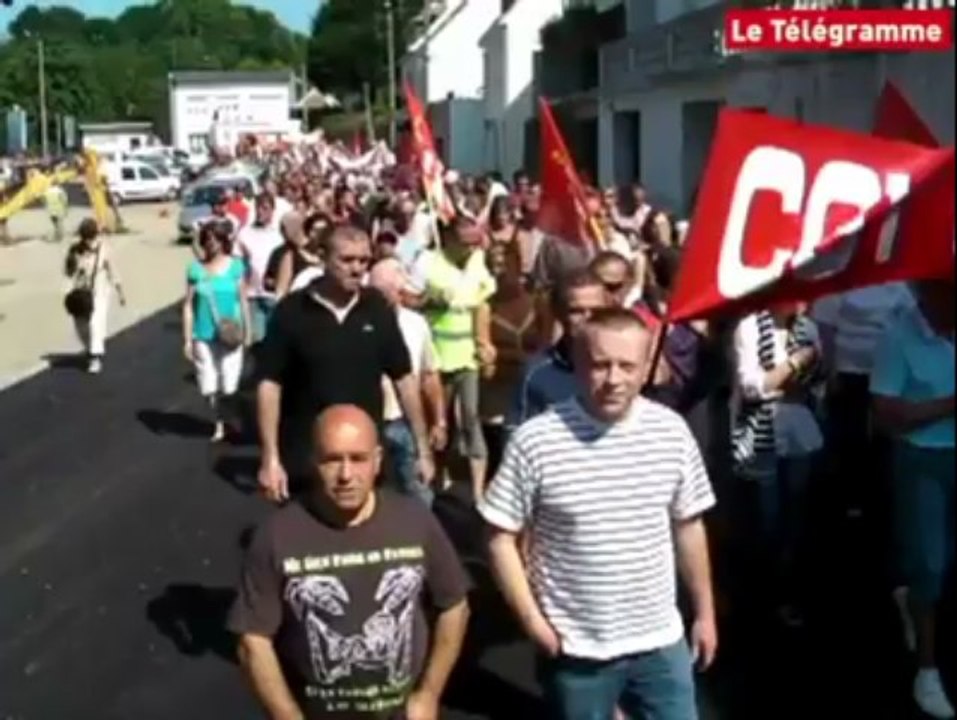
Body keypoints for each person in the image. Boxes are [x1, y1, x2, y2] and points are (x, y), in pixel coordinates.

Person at [480, 308, 717, 719]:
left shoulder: (672, 432)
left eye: (627, 366)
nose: (613, 379)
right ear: (578, 362)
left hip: (660, 642)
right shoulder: (537, 441)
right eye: (600, 364)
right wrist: (533, 622)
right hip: (578, 650)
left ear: (647, 368)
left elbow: (689, 525)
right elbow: (499, 536)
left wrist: (705, 613)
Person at [230, 405, 470, 720]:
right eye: (332, 460)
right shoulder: (277, 535)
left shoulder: (414, 521)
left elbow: (455, 606)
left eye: (358, 459)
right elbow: (253, 641)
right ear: (312, 461)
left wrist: (428, 695)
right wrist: (287, 715)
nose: (346, 475)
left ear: (378, 461)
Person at [256, 225, 435, 504]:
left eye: (364, 261)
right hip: (308, 456)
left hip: (365, 453)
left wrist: (422, 449)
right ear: (323, 258)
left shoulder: (377, 309)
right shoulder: (291, 312)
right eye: (347, 260)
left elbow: (404, 379)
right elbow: (269, 385)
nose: (357, 269)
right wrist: (270, 458)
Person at [870, 279, 955, 720]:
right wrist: (949, 405)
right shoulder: (897, 335)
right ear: (929, 293)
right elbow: (886, 412)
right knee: (930, 564)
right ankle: (926, 669)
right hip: (923, 462)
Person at [422, 213, 497, 503]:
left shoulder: (478, 261)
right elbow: (407, 296)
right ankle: (440, 475)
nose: (470, 249)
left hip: (468, 357)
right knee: (440, 421)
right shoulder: (429, 262)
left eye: (474, 243)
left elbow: (484, 303)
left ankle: (478, 488)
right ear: (450, 239)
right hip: (438, 356)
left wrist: (485, 346)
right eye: (464, 243)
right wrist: (429, 299)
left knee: (471, 418)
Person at [369, 258, 446, 507]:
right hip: (370, 421)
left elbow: (429, 375)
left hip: (405, 422)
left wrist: (439, 420)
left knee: (417, 491)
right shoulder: (359, 323)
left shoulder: (416, 324)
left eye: (396, 289)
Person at [505, 268, 608, 432]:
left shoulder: (627, 369)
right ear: (559, 313)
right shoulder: (537, 373)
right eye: (576, 311)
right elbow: (515, 438)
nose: (588, 319)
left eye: (597, 311)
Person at [183, 222, 251, 442]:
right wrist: (187, 339)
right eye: (207, 239)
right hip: (204, 333)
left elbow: (243, 300)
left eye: (215, 239)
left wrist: (248, 330)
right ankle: (219, 421)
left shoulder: (235, 268)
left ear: (223, 242)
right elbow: (188, 305)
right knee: (208, 383)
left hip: (231, 332)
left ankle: (228, 420)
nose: (211, 243)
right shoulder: (196, 270)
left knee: (229, 382)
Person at [64, 218, 126, 374]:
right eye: (85, 238)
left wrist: (120, 292)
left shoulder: (104, 249)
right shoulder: (75, 250)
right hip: (80, 293)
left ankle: (95, 357)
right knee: (80, 325)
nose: (88, 242)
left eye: (90, 237)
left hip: (99, 292)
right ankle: (89, 348)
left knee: (94, 324)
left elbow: (113, 271)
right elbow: (69, 272)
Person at [235, 193, 285, 343]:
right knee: (257, 339)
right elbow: (239, 262)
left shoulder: (278, 236)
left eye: (265, 208)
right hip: (252, 295)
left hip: (274, 294)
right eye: (258, 208)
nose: (261, 212)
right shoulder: (244, 234)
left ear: (272, 211)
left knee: (274, 339)